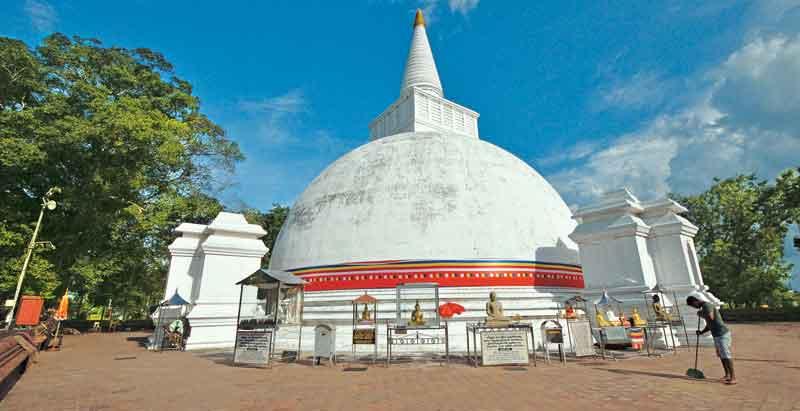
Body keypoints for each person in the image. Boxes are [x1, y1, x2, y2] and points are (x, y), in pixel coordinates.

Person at [686, 296, 736, 384]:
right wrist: (701, 332)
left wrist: (701, 314)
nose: (694, 308)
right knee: (721, 355)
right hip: (716, 335)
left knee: (726, 355)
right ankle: (727, 375)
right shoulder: (704, 308)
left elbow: (711, 317)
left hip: (722, 334)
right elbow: (710, 324)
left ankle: (733, 377)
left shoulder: (707, 306)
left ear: (695, 301)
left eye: (693, 306)